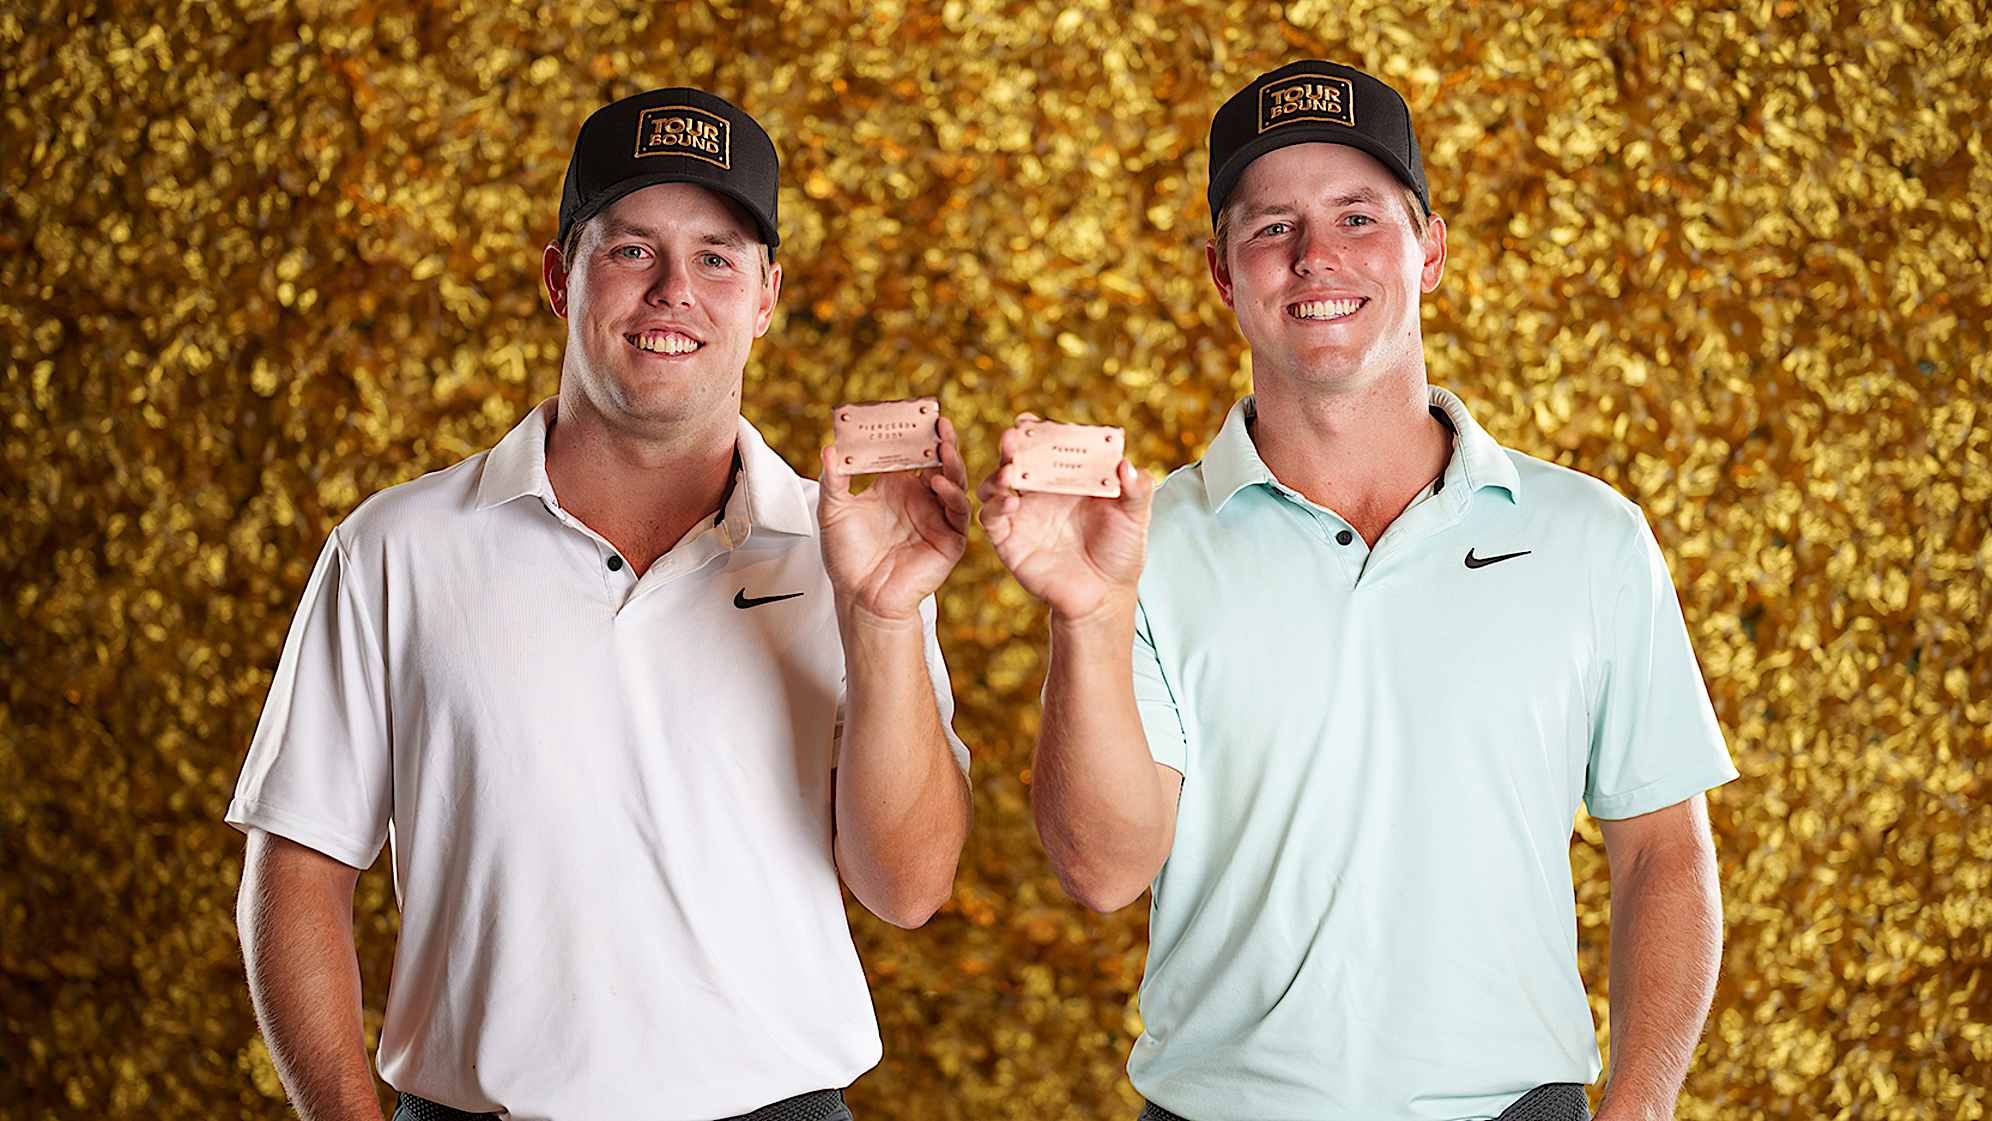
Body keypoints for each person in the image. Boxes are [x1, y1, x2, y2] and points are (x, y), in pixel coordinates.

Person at [978, 59, 1737, 1121]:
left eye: (1357, 217)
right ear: (1220, 271)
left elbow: (1662, 848)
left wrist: (1642, 1104)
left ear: (1429, 250)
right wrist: (1089, 613)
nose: (1317, 258)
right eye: (1271, 227)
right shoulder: (1140, 540)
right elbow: (1102, 870)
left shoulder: (1590, 538)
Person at [228, 87, 974, 1121]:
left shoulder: (853, 546)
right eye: (630, 250)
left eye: (716, 257)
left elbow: (910, 885)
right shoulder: (394, 548)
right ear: (558, 275)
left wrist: (883, 616)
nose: (674, 290)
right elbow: (298, 873)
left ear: (765, 298)